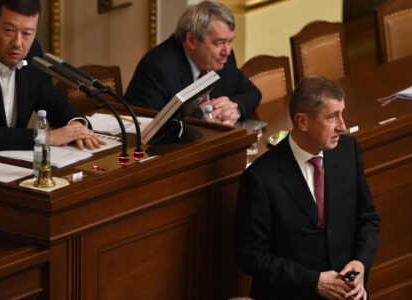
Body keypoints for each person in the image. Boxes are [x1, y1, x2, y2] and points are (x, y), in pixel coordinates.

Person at [235, 76, 380, 300]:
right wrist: (314, 283)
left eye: (342, 114)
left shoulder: (348, 150)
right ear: (302, 122)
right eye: (333, 117)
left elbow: (368, 218)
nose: (343, 125)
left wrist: (360, 263)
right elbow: (251, 256)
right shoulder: (260, 178)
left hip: (347, 293)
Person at [0, 0, 104, 157]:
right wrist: (47, 137)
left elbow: (50, 98)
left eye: (27, 33)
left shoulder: (32, 51)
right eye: (9, 31)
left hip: (9, 160)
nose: (18, 43)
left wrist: (74, 124)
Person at [125, 1, 261, 126]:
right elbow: (147, 127)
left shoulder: (223, 58)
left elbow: (252, 93)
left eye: (230, 41)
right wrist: (201, 118)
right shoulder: (157, 68)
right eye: (219, 43)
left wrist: (233, 110)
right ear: (191, 40)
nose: (227, 51)